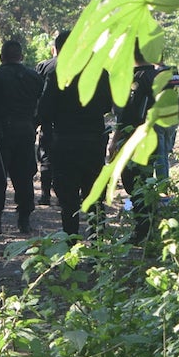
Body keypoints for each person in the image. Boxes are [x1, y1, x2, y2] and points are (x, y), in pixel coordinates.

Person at [36, 30, 113, 239]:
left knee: (68, 199)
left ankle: (71, 244)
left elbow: (44, 109)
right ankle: (97, 244)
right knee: (94, 195)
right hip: (93, 139)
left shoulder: (58, 71)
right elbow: (108, 104)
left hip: (65, 141)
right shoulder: (100, 71)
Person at [0, 40, 43, 234]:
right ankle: (24, 220)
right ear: (21, 57)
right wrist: (33, 123)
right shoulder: (34, 78)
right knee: (24, 175)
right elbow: (44, 105)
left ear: (1, 57)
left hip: (0, 134)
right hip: (26, 131)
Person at [111, 44, 159, 244]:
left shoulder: (135, 79)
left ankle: (142, 231)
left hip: (134, 138)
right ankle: (148, 227)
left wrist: (116, 139)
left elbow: (128, 113)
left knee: (133, 182)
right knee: (145, 179)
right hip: (155, 135)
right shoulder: (159, 76)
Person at [33, 36, 60, 206]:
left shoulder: (45, 66)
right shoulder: (86, 68)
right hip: (74, 123)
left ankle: (45, 194)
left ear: (53, 49)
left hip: (49, 121)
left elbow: (36, 94)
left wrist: (36, 120)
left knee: (46, 158)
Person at [153, 61, 179, 181]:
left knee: (159, 155)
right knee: (165, 154)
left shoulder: (156, 75)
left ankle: (162, 186)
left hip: (160, 119)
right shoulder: (175, 72)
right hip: (174, 117)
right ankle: (165, 182)